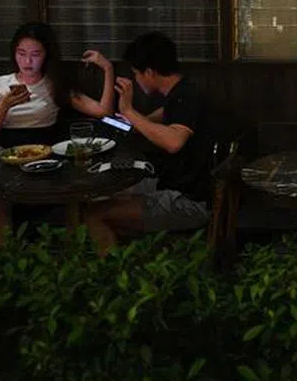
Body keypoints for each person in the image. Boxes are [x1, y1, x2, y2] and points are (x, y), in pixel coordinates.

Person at [0, 22, 116, 247]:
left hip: (43, 157)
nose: (28, 61)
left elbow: (103, 111)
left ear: (46, 55)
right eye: (22, 54)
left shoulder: (53, 85)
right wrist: (4, 106)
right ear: (14, 54)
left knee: (0, 195)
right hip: (5, 157)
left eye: (35, 54)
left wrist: (107, 69)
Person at [84, 31, 211, 255]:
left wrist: (129, 112)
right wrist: (126, 120)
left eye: (136, 73)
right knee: (101, 196)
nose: (135, 78)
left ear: (149, 72)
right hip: (176, 185)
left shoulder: (186, 97)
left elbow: (174, 142)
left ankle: (112, 279)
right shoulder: (182, 92)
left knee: (95, 215)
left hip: (189, 200)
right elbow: (154, 120)